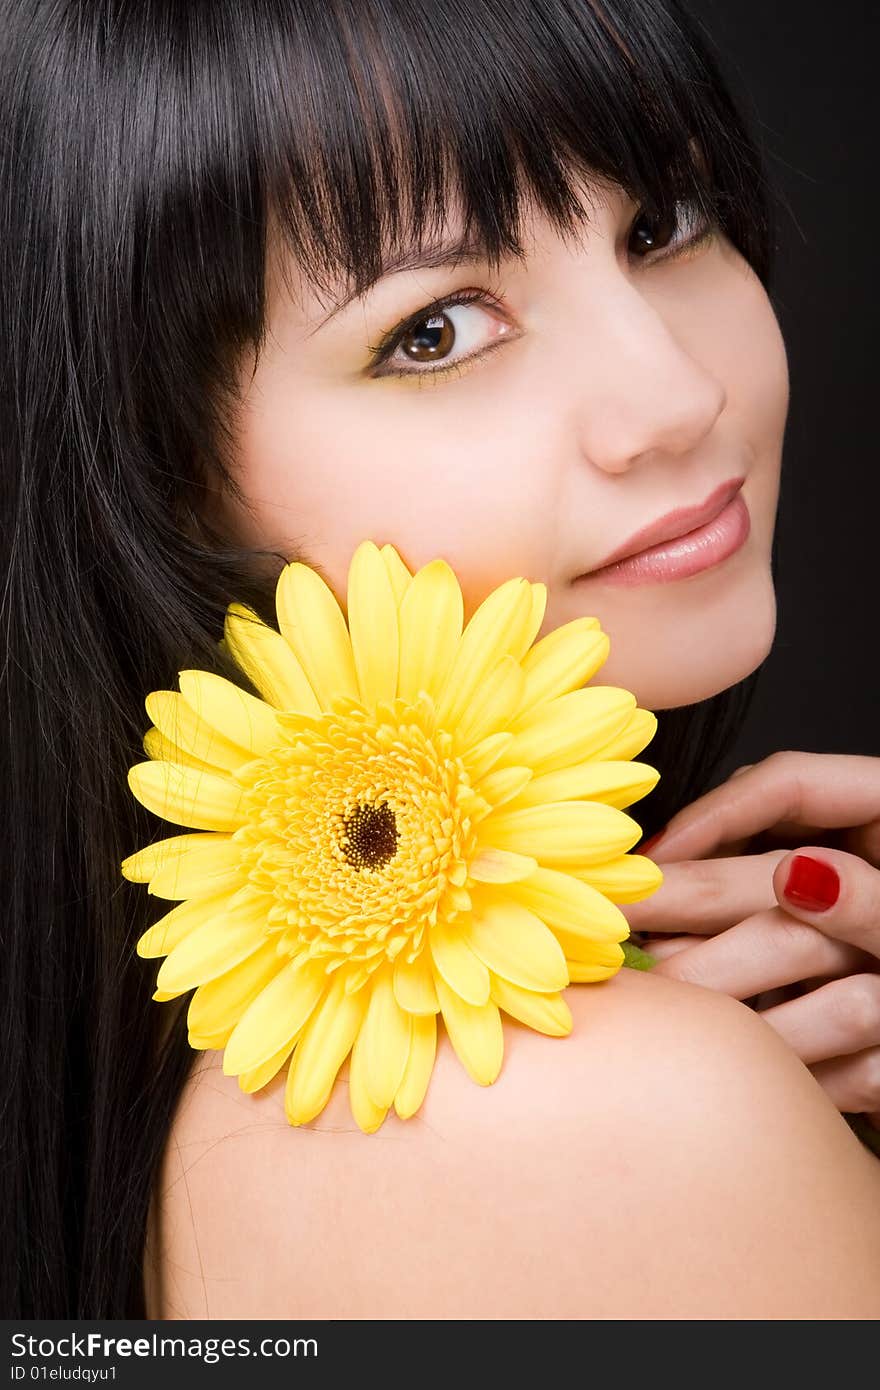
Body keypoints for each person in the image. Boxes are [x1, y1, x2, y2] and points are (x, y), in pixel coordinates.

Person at [3, 0, 879, 1321]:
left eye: (662, 225)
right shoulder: (588, 1116)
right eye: (436, 330)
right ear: (162, 484)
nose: (676, 396)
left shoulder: (242, 1100)